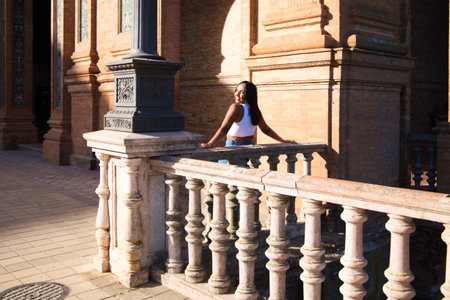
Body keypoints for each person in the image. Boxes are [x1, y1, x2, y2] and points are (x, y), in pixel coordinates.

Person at [201, 81, 294, 149]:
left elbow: (224, 129)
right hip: (248, 147)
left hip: (233, 146)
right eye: (236, 90)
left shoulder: (236, 108)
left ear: (249, 95)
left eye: (242, 92)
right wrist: (283, 141)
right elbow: (266, 130)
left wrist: (210, 144)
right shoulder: (256, 110)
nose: (237, 94)